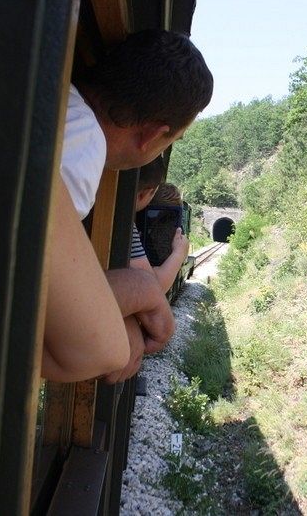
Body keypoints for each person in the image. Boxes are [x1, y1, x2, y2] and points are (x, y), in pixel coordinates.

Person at [42, 29, 213, 383]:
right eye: (172, 140)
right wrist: (139, 290)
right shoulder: (81, 145)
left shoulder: (57, 102)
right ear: (153, 135)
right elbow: (22, 299)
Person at [130, 161, 191, 294]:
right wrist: (179, 253)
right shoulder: (128, 230)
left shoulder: (129, 225)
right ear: (144, 194)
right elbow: (153, 287)